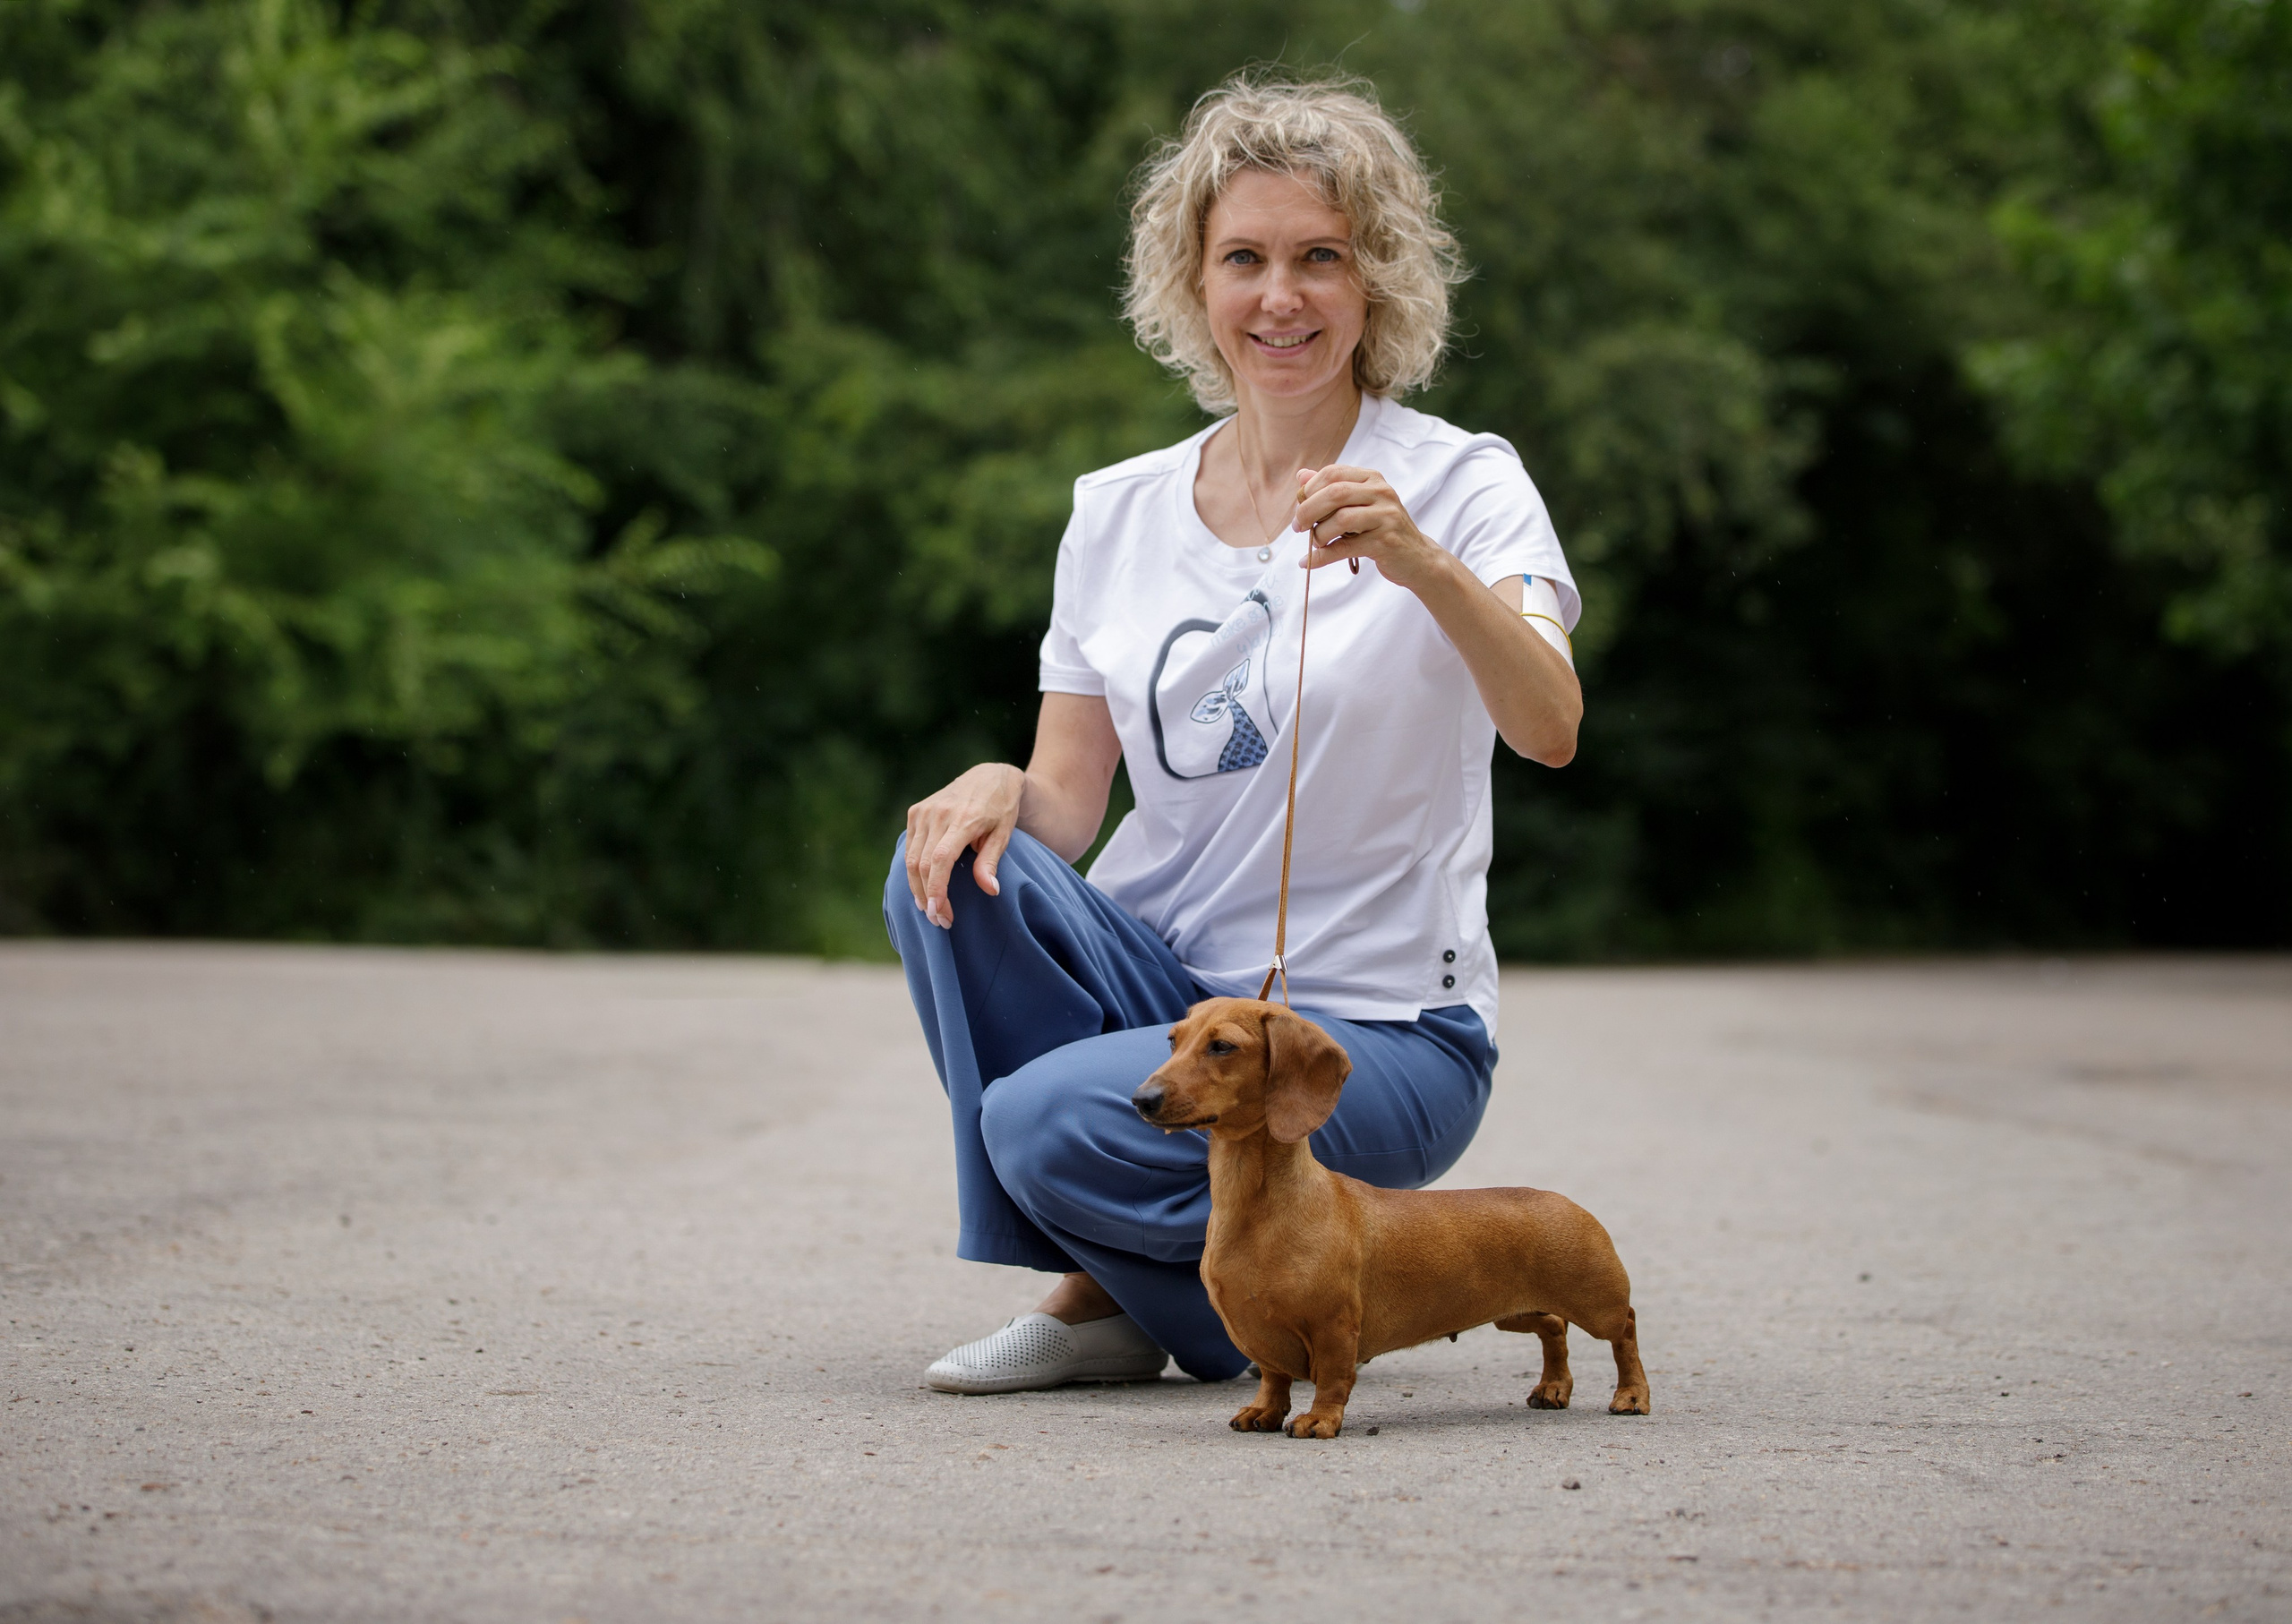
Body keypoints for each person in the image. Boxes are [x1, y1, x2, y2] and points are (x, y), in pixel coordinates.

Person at [884, 74, 1583, 1394]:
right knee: (949, 865)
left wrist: (1424, 563)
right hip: (1175, 1007)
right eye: (1244, 259)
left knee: (1038, 1117)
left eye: (1322, 257)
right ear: (1193, 284)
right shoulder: (1116, 509)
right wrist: (989, 780)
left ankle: (1174, 1307)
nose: (1282, 296)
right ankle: (1151, 1289)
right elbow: (1064, 808)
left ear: (1376, 279)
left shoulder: (1466, 482)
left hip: (1379, 1030)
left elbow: (1550, 725)